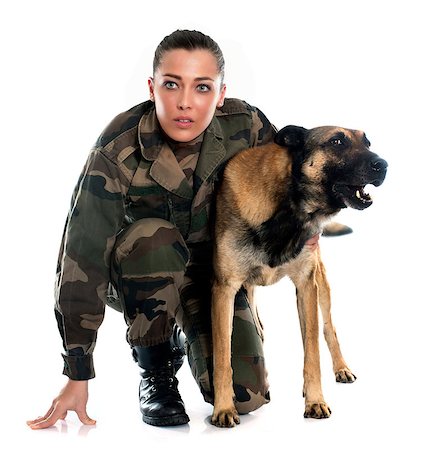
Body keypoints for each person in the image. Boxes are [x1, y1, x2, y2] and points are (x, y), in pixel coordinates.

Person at [27, 29, 276, 429]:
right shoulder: (117, 150)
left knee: (245, 398)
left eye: (202, 88)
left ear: (221, 93)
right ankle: (157, 364)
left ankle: (185, 330)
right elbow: (81, 257)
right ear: (152, 87)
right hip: (138, 271)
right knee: (154, 237)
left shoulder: (246, 127)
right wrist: (77, 370)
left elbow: (288, 180)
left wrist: (303, 227)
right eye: (172, 84)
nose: (184, 102)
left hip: (212, 277)